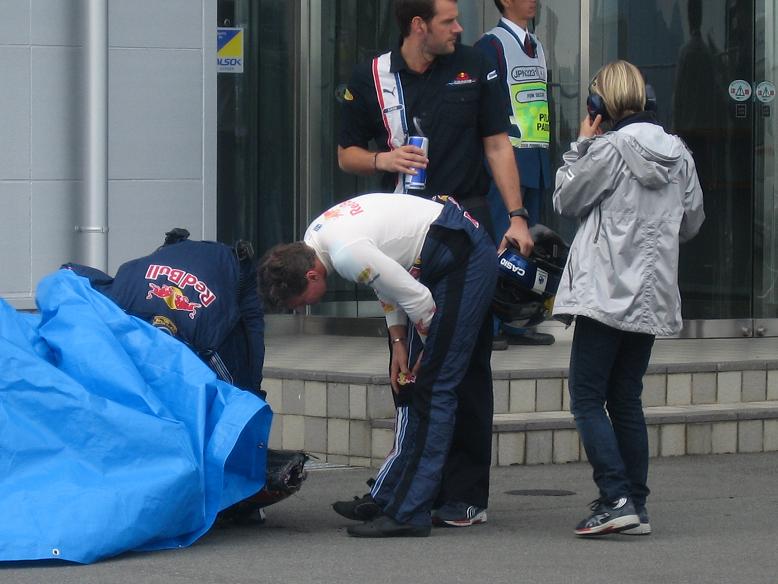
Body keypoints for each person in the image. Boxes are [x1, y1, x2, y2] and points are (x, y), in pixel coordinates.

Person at [335, 0, 533, 528]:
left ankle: (464, 495)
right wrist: (382, 160)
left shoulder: (474, 64)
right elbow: (346, 153)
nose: (460, 28)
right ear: (418, 26)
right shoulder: (373, 75)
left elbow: (498, 144)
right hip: (403, 229)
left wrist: (516, 217)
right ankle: (403, 488)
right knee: (409, 364)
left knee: (465, 362)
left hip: (464, 225)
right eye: (449, 21)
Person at [259, 193, 497, 537]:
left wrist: (428, 351)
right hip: (442, 251)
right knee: (419, 387)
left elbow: (420, 301)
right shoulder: (315, 240)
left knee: (433, 388)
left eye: (299, 303)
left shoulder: (345, 253)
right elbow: (385, 278)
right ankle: (394, 498)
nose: (300, 309)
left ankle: (410, 512)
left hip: (464, 255)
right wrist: (399, 340)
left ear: (311, 275)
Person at [551, 60, 705, 536]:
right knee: (625, 399)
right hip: (651, 297)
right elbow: (692, 222)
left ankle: (616, 497)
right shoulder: (679, 154)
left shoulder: (608, 150)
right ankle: (635, 503)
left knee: (586, 398)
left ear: (602, 103)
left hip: (604, 294)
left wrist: (581, 145)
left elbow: (565, 200)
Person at [475, 0, 555, 348]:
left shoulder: (537, 46)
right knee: (499, 243)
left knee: (528, 246)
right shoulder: (490, 45)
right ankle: (490, 325)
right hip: (506, 164)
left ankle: (519, 321)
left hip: (535, 158)